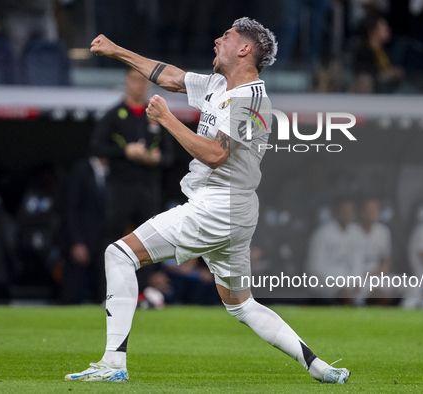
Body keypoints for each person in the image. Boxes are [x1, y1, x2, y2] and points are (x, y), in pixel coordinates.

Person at [65, 17, 350, 384]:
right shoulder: (219, 84)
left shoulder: (253, 100)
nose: (217, 40)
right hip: (233, 210)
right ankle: (319, 366)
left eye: (227, 36)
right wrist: (117, 50)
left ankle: (112, 364)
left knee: (118, 254)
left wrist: (167, 120)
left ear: (244, 49)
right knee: (242, 304)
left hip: (219, 206)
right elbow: (170, 77)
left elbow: (216, 154)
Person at [91, 68, 174, 265]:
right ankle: (107, 293)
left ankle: (142, 293)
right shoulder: (113, 114)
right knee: (112, 239)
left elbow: (170, 155)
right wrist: (126, 151)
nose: (139, 84)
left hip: (149, 188)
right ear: (127, 81)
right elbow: (95, 147)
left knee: (148, 242)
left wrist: (157, 159)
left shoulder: (157, 116)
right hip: (120, 187)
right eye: (134, 79)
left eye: (143, 80)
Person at [60, 156, 109, 304]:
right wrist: (76, 241)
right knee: (73, 290)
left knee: (103, 290)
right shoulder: (81, 170)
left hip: (104, 240)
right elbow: (71, 209)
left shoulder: (114, 172)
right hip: (82, 239)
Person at [305, 198, 362, 299]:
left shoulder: (356, 233)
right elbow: (316, 268)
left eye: (351, 211)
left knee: (378, 294)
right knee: (344, 295)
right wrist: (337, 284)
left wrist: (356, 281)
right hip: (324, 283)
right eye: (345, 210)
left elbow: (358, 261)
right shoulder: (322, 234)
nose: (348, 214)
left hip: (349, 282)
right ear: (336, 212)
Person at [351, 12, 404, 93]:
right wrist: (388, 74)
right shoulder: (363, 53)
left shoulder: (385, 52)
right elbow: (365, 76)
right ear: (373, 31)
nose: (388, 29)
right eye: (384, 27)